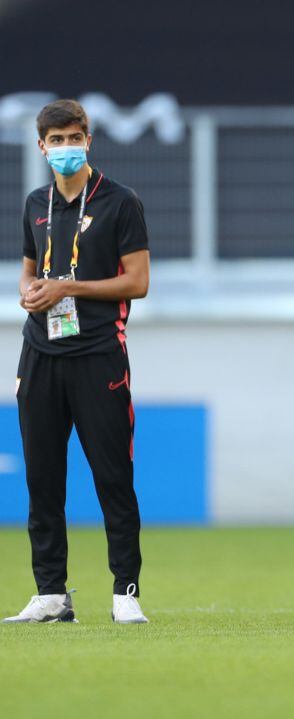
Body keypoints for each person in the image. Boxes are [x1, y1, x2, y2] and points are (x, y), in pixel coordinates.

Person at [4, 100, 151, 624]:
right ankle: (50, 592)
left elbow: (138, 281)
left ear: (88, 140)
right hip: (40, 352)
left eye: (75, 137)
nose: (66, 147)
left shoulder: (119, 202)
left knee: (113, 474)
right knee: (43, 477)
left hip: (98, 354)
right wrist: (29, 291)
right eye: (56, 140)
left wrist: (70, 287)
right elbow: (27, 269)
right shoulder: (35, 203)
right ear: (41, 146)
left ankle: (125, 591)